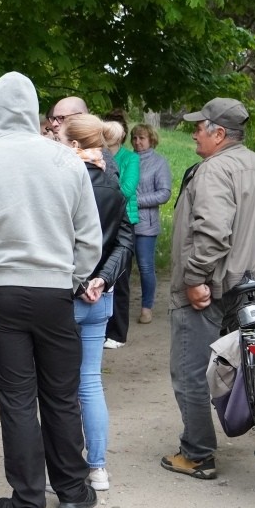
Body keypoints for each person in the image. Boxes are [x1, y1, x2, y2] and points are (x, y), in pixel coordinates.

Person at [0, 71, 102, 508]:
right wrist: (68, 279)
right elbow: (89, 241)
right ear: (34, 112)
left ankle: (28, 502)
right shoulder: (67, 162)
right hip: (54, 289)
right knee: (60, 392)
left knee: (15, 397)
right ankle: (73, 490)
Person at [163, 97, 255, 480]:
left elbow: (214, 233)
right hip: (249, 284)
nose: (194, 134)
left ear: (219, 134)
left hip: (211, 286)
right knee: (242, 362)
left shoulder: (212, 170)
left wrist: (194, 278)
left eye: (199, 127)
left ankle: (198, 454)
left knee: (190, 372)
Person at [60, 114, 134, 492]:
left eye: (59, 135)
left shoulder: (63, 182)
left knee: (58, 386)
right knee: (90, 383)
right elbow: (124, 240)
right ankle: (98, 467)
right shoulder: (114, 184)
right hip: (98, 295)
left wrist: (81, 282)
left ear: (74, 144)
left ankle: (64, 466)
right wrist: (103, 280)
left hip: (65, 296)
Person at [102, 119, 138, 349]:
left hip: (123, 220)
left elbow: (127, 188)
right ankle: (102, 327)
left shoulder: (131, 158)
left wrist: (103, 194)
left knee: (121, 278)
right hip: (103, 219)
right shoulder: (97, 154)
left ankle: (118, 333)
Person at [131, 124, 172, 324]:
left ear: (151, 139)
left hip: (146, 225)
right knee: (119, 268)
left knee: (146, 267)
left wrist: (135, 201)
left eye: (142, 138)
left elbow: (164, 193)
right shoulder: (126, 159)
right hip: (124, 222)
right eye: (134, 138)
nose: (137, 142)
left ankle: (147, 307)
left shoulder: (159, 163)